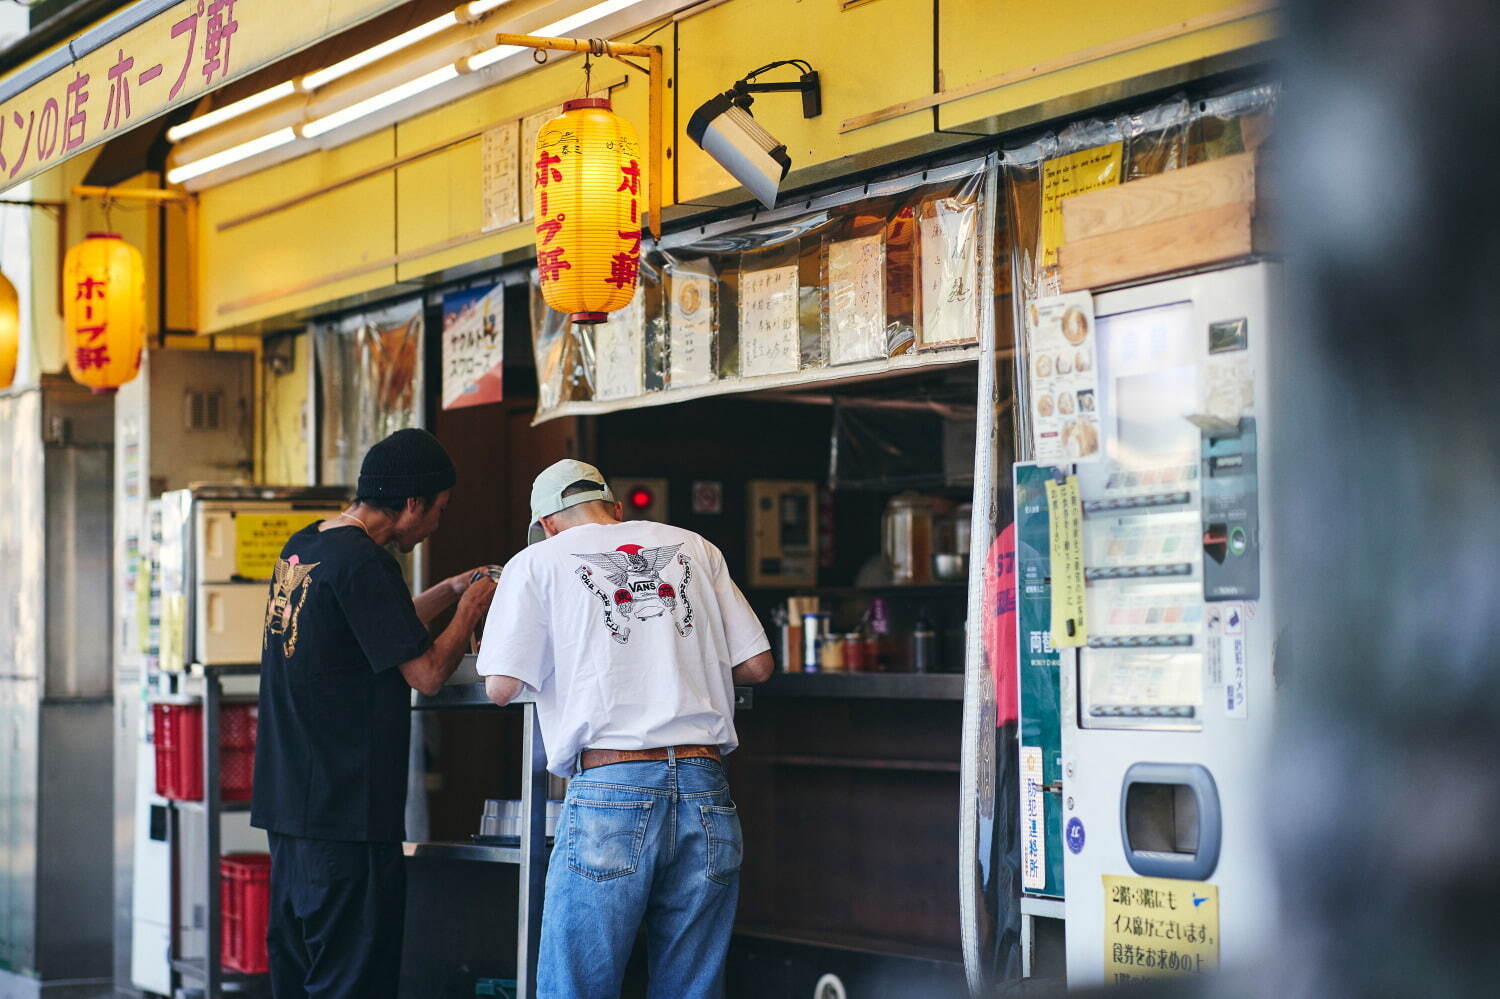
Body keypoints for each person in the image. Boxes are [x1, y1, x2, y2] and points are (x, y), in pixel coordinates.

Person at [477, 459, 774, 999]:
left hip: (611, 791)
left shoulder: (536, 562)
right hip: (706, 788)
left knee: (577, 986)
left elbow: (500, 685)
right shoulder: (696, 547)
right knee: (691, 988)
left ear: (546, 523)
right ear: (615, 509)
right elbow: (756, 667)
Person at [252, 427, 497, 998]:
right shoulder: (367, 562)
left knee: (300, 977)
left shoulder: (309, 546)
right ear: (412, 503)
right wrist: (470, 612)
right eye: (438, 508)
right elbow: (428, 675)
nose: (438, 521)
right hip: (346, 819)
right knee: (351, 983)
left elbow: (374, 626)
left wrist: (451, 588)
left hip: (292, 814)